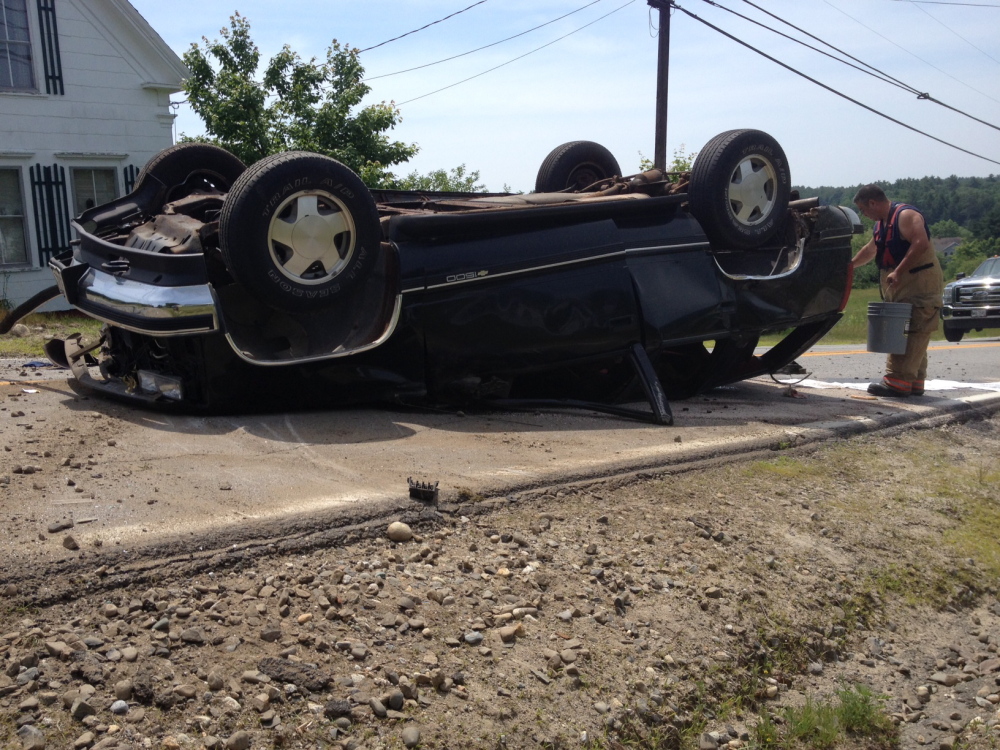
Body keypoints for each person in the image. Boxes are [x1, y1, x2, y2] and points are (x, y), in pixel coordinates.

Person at [852, 185, 943, 397]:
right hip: (902, 287)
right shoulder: (882, 225)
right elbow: (871, 250)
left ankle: (897, 381)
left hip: (921, 283)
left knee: (914, 328)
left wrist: (899, 271)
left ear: (873, 203)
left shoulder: (906, 215)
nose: (863, 215)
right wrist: (850, 266)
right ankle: (914, 381)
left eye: (863, 210)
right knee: (910, 331)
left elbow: (920, 243)